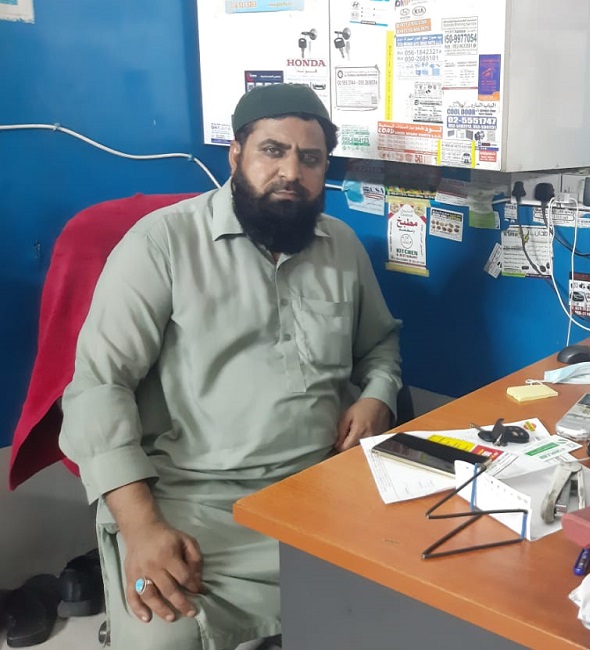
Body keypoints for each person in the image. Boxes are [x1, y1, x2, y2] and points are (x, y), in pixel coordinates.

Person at [58, 83, 402, 650]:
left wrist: (377, 395)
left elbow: (380, 344)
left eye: (310, 158)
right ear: (236, 156)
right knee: (160, 640)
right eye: (273, 151)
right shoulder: (162, 243)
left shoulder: (341, 245)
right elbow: (98, 386)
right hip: (190, 504)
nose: (291, 171)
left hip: (320, 493)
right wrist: (141, 528)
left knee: (422, 604)